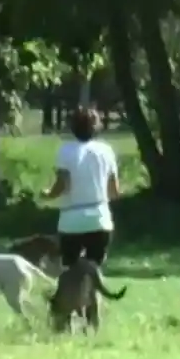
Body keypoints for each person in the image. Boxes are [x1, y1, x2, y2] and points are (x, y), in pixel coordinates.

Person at [42, 107, 120, 267]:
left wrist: (48, 194)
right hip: (100, 218)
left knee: (70, 268)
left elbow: (62, 185)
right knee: (94, 269)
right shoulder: (106, 150)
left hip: (72, 220)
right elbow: (114, 191)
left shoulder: (66, 151)